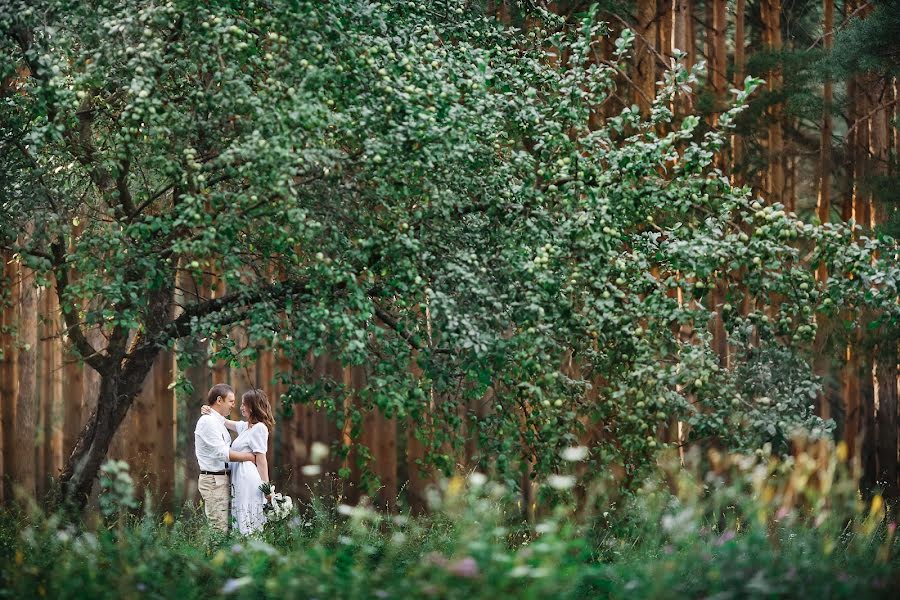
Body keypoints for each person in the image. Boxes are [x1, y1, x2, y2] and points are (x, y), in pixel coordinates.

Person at [202, 388, 274, 535]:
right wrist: (208, 409)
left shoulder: (260, 428)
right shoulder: (245, 427)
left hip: (247, 478)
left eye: (243, 404)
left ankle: (250, 547)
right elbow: (223, 421)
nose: (240, 407)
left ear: (253, 407)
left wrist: (267, 489)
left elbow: (261, 460)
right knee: (239, 514)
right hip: (239, 477)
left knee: (247, 516)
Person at [194, 383, 256, 533]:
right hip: (214, 481)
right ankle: (212, 557)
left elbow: (241, 426)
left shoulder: (217, 420)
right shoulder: (208, 422)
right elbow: (222, 453)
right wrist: (251, 457)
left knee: (226, 528)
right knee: (218, 529)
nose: (233, 405)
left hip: (223, 480)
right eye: (231, 401)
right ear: (219, 400)